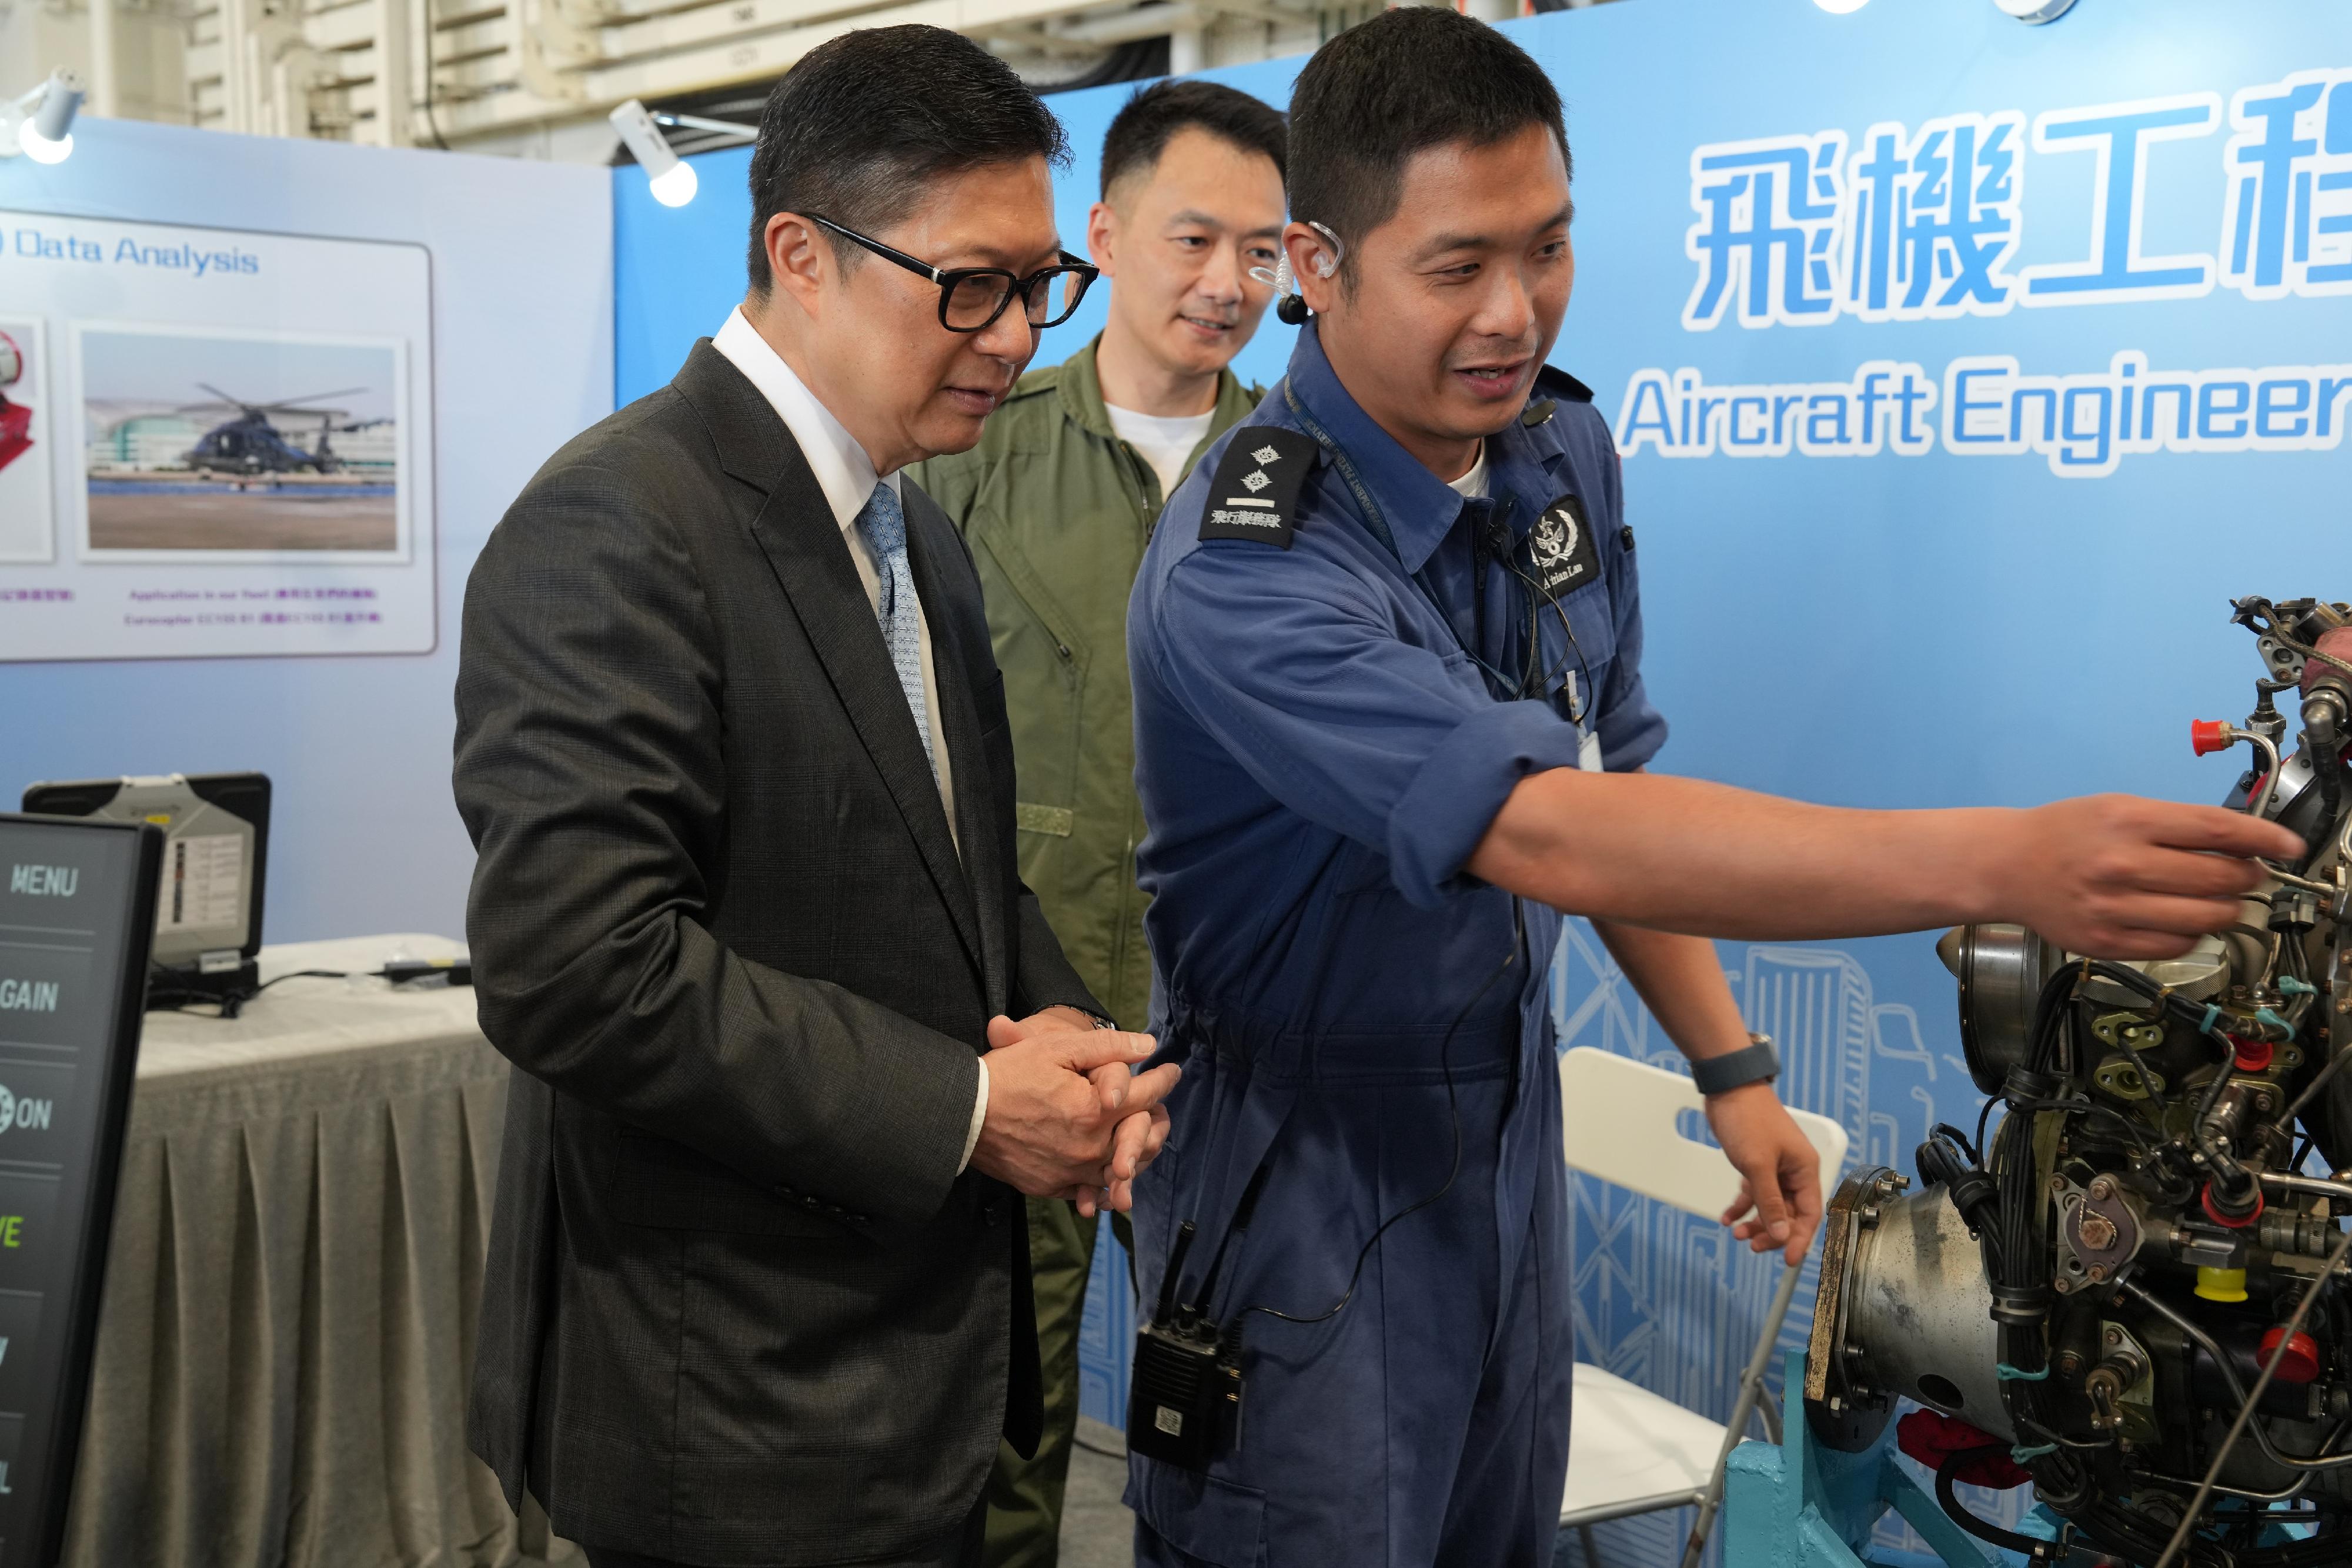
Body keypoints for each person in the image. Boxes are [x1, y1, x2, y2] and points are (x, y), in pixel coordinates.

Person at [1120, 11, 2307, 1564]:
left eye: (1548, 248)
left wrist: (1731, 1068)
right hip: (1301, 1184)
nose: (1515, 312)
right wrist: (2007, 861)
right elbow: (1546, 825)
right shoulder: (1247, 569)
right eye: (1457, 266)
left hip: (1499, 1147)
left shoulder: (1555, 451)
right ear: (1317, 264)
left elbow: (1609, 776)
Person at [452, 26, 1180, 1568]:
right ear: (801, 251)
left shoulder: (917, 535)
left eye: (1043, 286)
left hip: (930, 1382)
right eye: (969, 284)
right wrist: (976, 1108)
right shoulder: (618, 525)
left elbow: (960, 881)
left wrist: (1066, 1040)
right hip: (738, 1407)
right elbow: (578, 970)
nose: (1012, 336)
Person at [906, 78, 1286, 1568]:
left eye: (1263, 251)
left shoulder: (1297, 473)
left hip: (1242, 1021)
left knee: (1234, 1385)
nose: (1227, 283)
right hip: (1025, 1013)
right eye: (1195, 239)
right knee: (1017, 1391)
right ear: (1108, 235)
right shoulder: (976, 446)